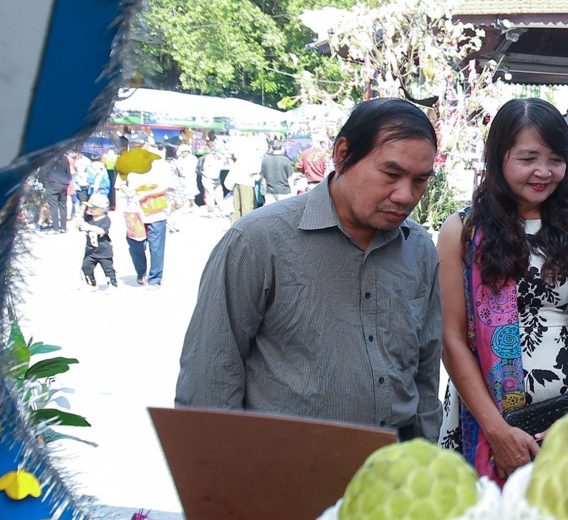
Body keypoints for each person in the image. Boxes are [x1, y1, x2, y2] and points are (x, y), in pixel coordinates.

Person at [175, 98, 444, 440]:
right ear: (343, 153)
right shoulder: (258, 240)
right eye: (391, 174)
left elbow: (425, 368)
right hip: (289, 469)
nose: (406, 195)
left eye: (420, 181)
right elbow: (209, 375)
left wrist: (424, 455)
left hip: (395, 469)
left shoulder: (418, 247)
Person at [437, 98, 568, 480]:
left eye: (556, 159)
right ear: (497, 157)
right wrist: (498, 431)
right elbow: (451, 339)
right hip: (488, 418)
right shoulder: (462, 231)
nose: (543, 172)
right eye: (528, 158)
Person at [118, 131, 172, 286]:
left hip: (155, 210)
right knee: (135, 245)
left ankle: (155, 278)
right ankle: (141, 272)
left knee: (156, 247)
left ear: (147, 144)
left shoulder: (159, 162)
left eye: (139, 145)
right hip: (134, 211)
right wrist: (126, 190)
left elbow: (167, 185)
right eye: (133, 145)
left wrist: (148, 193)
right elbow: (120, 184)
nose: (136, 148)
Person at [77, 194, 118, 290]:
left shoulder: (105, 220)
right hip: (90, 251)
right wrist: (79, 218)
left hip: (104, 251)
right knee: (86, 267)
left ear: (103, 209)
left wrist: (90, 227)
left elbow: (102, 231)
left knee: (108, 269)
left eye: (94, 207)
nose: (91, 209)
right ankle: (91, 284)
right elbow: (79, 228)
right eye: (90, 207)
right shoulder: (88, 218)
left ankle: (113, 285)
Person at [39, 151, 71, 233]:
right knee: (63, 206)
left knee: (53, 207)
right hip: (63, 184)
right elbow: (68, 172)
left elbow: (43, 172)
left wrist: (43, 183)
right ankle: (63, 227)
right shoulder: (65, 158)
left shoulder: (48, 157)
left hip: (52, 184)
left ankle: (56, 228)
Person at [260, 139, 295, 204]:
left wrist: (265, 191)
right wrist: (292, 191)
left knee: (270, 212)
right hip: (284, 191)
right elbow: (290, 177)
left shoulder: (265, 160)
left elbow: (263, 178)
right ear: (282, 148)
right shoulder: (285, 160)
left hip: (270, 191)